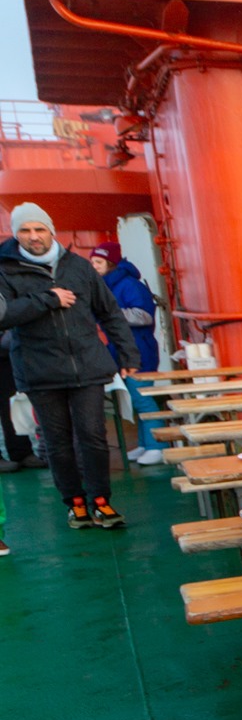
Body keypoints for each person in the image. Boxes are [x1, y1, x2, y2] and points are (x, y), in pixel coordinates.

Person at [0, 202, 140, 528]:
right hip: (40, 370)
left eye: (39, 229)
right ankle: (75, 503)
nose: (34, 236)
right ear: (15, 233)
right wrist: (48, 299)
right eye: (25, 230)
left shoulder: (78, 266)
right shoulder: (5, 270)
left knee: (92, 436)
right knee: (58, 442)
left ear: (51, 230)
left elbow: (109, 311)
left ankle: (101, 501)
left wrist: (128, 354)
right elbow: (4, 314)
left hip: (87, 366)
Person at [88, 242, 166, 466]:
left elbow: (144, 315)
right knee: (136, 399)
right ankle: (145, 443)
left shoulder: (129, 285)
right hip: (120, 349)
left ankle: (157, 446)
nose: (94, 266)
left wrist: (109, 313)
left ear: (110, 263)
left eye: (98, 262)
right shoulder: (108, 285)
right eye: (92, 262)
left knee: (143, 400)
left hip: (140, 350)